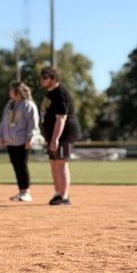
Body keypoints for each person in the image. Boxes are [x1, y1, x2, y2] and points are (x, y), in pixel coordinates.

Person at [38, 66, 80, 206]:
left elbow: (61, 118)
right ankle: (57, 194)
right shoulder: (49, 93)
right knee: (53, 163)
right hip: (52, 135)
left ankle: (65, 196)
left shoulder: (60, 93)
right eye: (42, 77)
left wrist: (55, 139)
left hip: (64, 134)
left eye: (45, 77)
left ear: (53, 79)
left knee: (61, 163)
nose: (42, 80)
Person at [0, 81, 39, 202]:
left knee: (22, 166)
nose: (9, 92)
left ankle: (26, 192)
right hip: (10, 142)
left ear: (17, 91)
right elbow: (4, 122)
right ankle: (21, 191)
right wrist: (1, 136)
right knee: (16, 166)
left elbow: (33, 123)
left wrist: (31, 138)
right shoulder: (10, 104)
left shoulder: (28, 105)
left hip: (22, 141)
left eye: (11, 90)